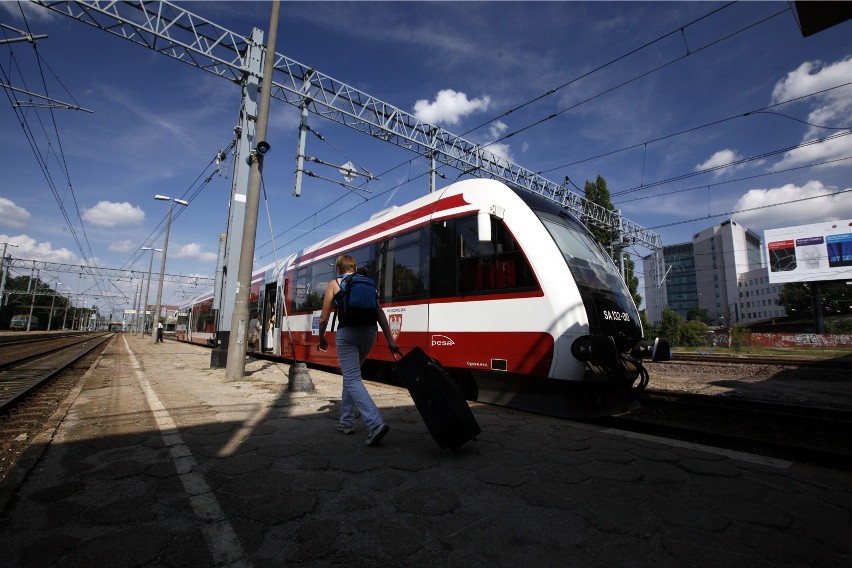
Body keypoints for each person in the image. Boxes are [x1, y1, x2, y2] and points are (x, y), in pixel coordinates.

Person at [318, 254, 399, 447]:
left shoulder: (334, 283)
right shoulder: (368, 283)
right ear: (355, 267)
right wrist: (390, 340)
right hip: (370, 333)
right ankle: (346, 422)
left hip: (347, 334)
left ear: (338, 269)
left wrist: (321, 338)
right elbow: (379, 312)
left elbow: (323, 317)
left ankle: (375, 423)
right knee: (351, 375)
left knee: (353, 378)